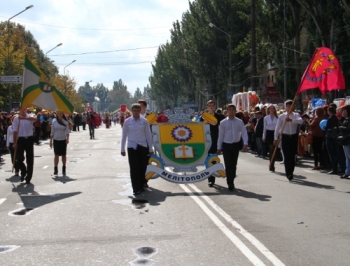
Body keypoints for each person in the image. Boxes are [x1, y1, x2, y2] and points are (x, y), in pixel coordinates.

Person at [121, 104, 154, 195]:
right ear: (132, 111)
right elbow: (124, 135)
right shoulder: (127, 122)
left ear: (140, 111)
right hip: (132, 147)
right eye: (134, 111)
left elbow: (148, 135)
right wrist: (122, 148)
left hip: (142, 146)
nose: (136, 112)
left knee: (143, 166)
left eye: (137, 111)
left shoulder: (144, 121)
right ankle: (136, 188)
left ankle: (141, 184)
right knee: (134, 168)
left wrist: (150, 148)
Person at [217, 104, 248, 191]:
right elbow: (221, 135)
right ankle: (230, 182)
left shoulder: (239, 121)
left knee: (234, 164)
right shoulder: (223, 122)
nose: (231, 111)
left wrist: (245, 143)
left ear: (235, 111)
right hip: (226, 145)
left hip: (235, 144)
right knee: (228, 164)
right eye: (229, 109)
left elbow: (244, 132)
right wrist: (219, 147)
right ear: (227, 111)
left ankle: (232, 177)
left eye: (232, 109)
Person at [274, 100, 303, 181]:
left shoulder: (296, 115)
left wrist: (291, 120)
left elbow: (301, 121)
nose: (290, 107)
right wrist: (276, 138)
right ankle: (288, 173)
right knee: (287, 156)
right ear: (286, 107)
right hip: (285, 136)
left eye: (291, 105)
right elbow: (277, 128)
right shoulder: (282, 116)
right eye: (288, 106)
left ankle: (291, 171)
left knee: (293, 155)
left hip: (293, 136)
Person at [202, 100, 225, 187]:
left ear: (215, 106)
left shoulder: (220, 117)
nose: (211, 107)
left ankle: (212, 178)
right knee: (207, 160)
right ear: (207, 107)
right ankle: (210, 178)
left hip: (216, 140)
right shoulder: (202, 117)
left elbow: (223, 129)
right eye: (209, 105)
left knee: (214, 159)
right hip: (206, 141)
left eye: (212, 105)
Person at [13, 108, 36, 184]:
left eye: (24, 109)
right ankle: (23, 171)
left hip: (29, 138)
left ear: (26, 110)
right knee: (19, 159)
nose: (23, 111)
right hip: (20, 139)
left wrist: (24, 118)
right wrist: (14, 143)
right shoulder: (16, 119)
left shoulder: (30, 116)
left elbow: (35, 119)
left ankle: (28, 177)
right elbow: (15, 131)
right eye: (22, 110)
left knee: (30, 159)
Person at [325, 106, 345, 175]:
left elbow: (326, 128)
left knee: (332, 154)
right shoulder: (336, 118)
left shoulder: (330, 119)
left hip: (330, 138)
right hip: (336, 138)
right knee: (337, 154)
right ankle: (342, 168)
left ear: (329, 111)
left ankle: (334, 169)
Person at [263, 104, 279, 172]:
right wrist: (263, 136)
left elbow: (279, 127)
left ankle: (273, 162)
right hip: (269, 134)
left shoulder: (277, 118)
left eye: (273, 109)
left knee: (274, 150)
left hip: (275, 133)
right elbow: (264, 128)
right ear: (268, 110)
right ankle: (271, 164)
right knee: (271, 149)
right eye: (270, 109)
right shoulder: (266, 118)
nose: (272, 110)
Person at [338, 105, 350, 179]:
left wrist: (342, 128)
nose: (343, 112)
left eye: (344, 111)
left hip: (348, 139)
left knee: (349, 157)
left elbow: (348, 129)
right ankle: (347, 172)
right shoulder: (345, 119)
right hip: (345, 140)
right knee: (347, 157)